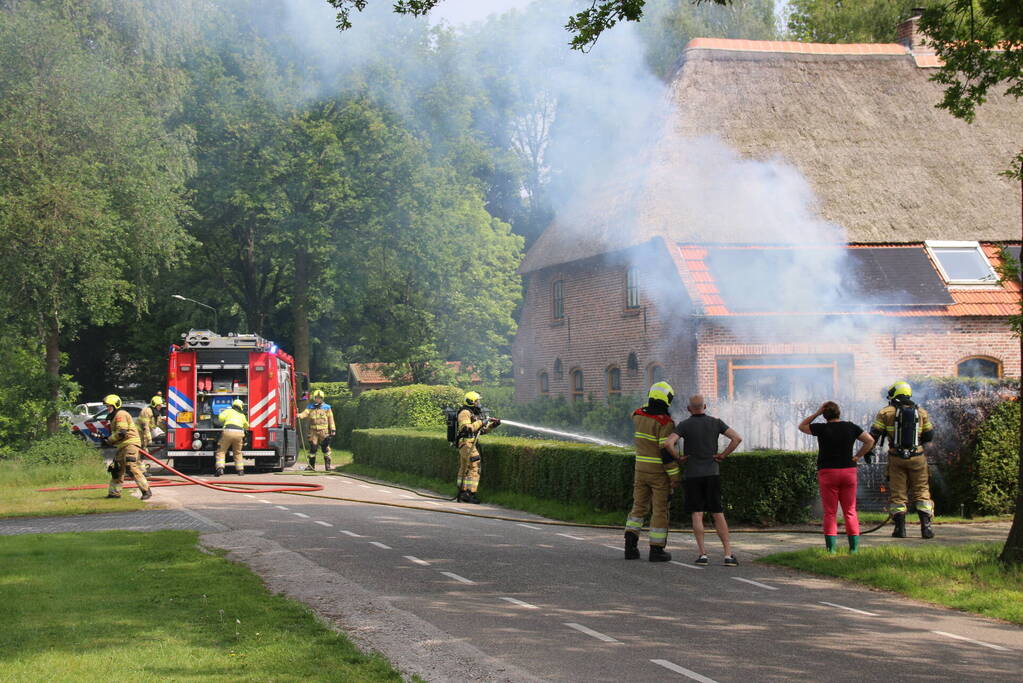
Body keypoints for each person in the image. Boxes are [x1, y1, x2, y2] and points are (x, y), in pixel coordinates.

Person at [665, 395, 741, 566]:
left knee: (697, 514)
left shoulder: (684, 425)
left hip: (692, 475)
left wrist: (679, 458)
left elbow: (668, 444)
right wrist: (723, 455)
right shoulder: (716, 423)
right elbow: (737, 438)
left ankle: (702, 555)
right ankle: (728, 555)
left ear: (689, 408)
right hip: (712, 473)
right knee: (717, 513)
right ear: (705, 406)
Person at [799, 401, 875, 553]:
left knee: (830, 512)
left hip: (827, 472)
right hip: (848, 471)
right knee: (850, 511)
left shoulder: (821, 428)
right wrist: (858, 456)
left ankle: (831, 550)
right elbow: (870, 440)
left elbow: (802, 426)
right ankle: (853, 549)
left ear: (825, 415)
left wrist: (817, 413)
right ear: (839, 413)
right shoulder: (851, 427)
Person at [870, 381, 936, 539]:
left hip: (896, 457)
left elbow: (873, 434)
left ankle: (900, 530)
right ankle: (926, 529)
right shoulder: (921, 412)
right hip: (918, 457)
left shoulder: (885, 412)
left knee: (898, 494)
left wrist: (868, 451)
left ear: (893, 394)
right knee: (922, 492)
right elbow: (929, 436)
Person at [624, 382, 681, 562]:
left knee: (638, 507)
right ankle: (656, 550)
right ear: (667, 400)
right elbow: (665, 451)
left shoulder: (638, 415)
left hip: (640, 470)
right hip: (658, 473)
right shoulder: (665, 422)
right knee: (659, 510)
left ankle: (630, 548)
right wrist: (674, 475)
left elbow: (637, 410)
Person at [102, 394, 152, 500]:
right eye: (106, 406)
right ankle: (114, 494)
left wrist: (109, 440)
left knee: (131, 467)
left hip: (130, 444)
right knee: (116, 470)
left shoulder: (120, 414)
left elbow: (122, 432)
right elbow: (119, 435)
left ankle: (146, 491)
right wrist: (108, 440)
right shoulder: (115, 416)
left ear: (115, 405)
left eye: (109, 406)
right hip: (122, 446)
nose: (107, 408)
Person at [455, 391, 500, 504]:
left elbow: (481, 432)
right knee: (475, 466)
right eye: (477, 401)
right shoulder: (464, 413)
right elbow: (467, 429)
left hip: (468, 444)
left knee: (465, 467)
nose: (479, 403)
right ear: (471, 402)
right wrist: (481, 422)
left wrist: (492, 425)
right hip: (466, 444)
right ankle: (469, 493)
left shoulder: (472, 413)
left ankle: (462, 491)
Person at [298, 389, 336, 471]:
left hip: (324, 432)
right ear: (314, 398)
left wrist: (333, 429)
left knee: (325, 448)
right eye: (316, 398)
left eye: (319, 398)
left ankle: (328, 466)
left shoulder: (327, 407)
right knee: (313, 448)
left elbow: (331, 419)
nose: (318, 399)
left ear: (322, 398)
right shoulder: (310, 407)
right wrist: (299, 415)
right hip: (313, 432)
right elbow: (305, 413)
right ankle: (311, 466)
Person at [214, 399, 249, 477]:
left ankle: (220, 468)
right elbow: (247, 425)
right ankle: (240, 470)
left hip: (228, 432)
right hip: (239, 433)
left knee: (221, 451)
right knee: (237, 452)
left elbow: (220, 418)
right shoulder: (242, 415)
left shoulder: (228, 411)